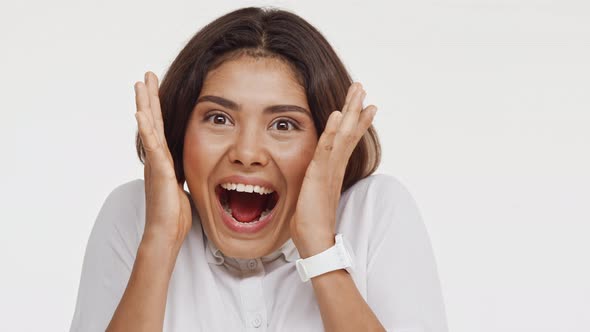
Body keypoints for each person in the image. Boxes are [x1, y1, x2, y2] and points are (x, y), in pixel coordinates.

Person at [69, 7, 448, 332]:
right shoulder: (135, 215)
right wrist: (160, 242)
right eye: (219, 118)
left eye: (283, 125)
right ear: (181, 133)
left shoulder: (374, 211)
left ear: (325, 142)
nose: (247, 153)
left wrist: (319, 248)